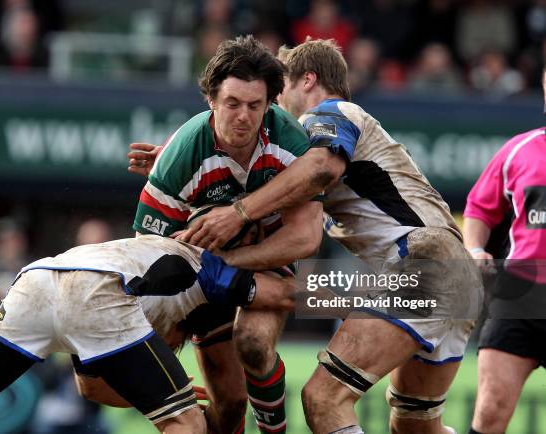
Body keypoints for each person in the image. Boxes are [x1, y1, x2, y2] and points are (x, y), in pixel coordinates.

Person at [137, 38, 482, 434]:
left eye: (274, 95)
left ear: (306, 81)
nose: (271, 111)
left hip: (425, 263)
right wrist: (185, 155)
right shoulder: (323, 140)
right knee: (416, 427)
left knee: (323, 398)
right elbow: (273, 169)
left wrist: (239, 213)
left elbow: (318, 169)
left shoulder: (331, 113)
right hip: (452, 277)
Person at [131, 35, 323, 433]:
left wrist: (226, 260)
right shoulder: (180, 156)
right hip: (197, 273)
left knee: (253, 343)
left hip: (265, 258)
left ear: (270, 104)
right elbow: (146, 256)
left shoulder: (291, 145)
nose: (243, 116)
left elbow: (305, 240)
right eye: (232, 104)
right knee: (230, 405)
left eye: (255, 105)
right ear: (211, 102)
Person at [0, 233, 295, 434]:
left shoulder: (138, 257)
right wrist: (352, 289)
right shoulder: (208, 269)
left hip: (34, 282)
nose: (166, 349)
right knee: (186, 422)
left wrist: (149, 397)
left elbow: (89, 387)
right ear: (176, 333)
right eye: (172, 347)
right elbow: (284, 293)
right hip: (97, 294)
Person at [462, 70, 546, 434]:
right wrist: (476, 248)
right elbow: (479, 208)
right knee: (491, 409)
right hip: (520, 293)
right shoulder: (519, 149)